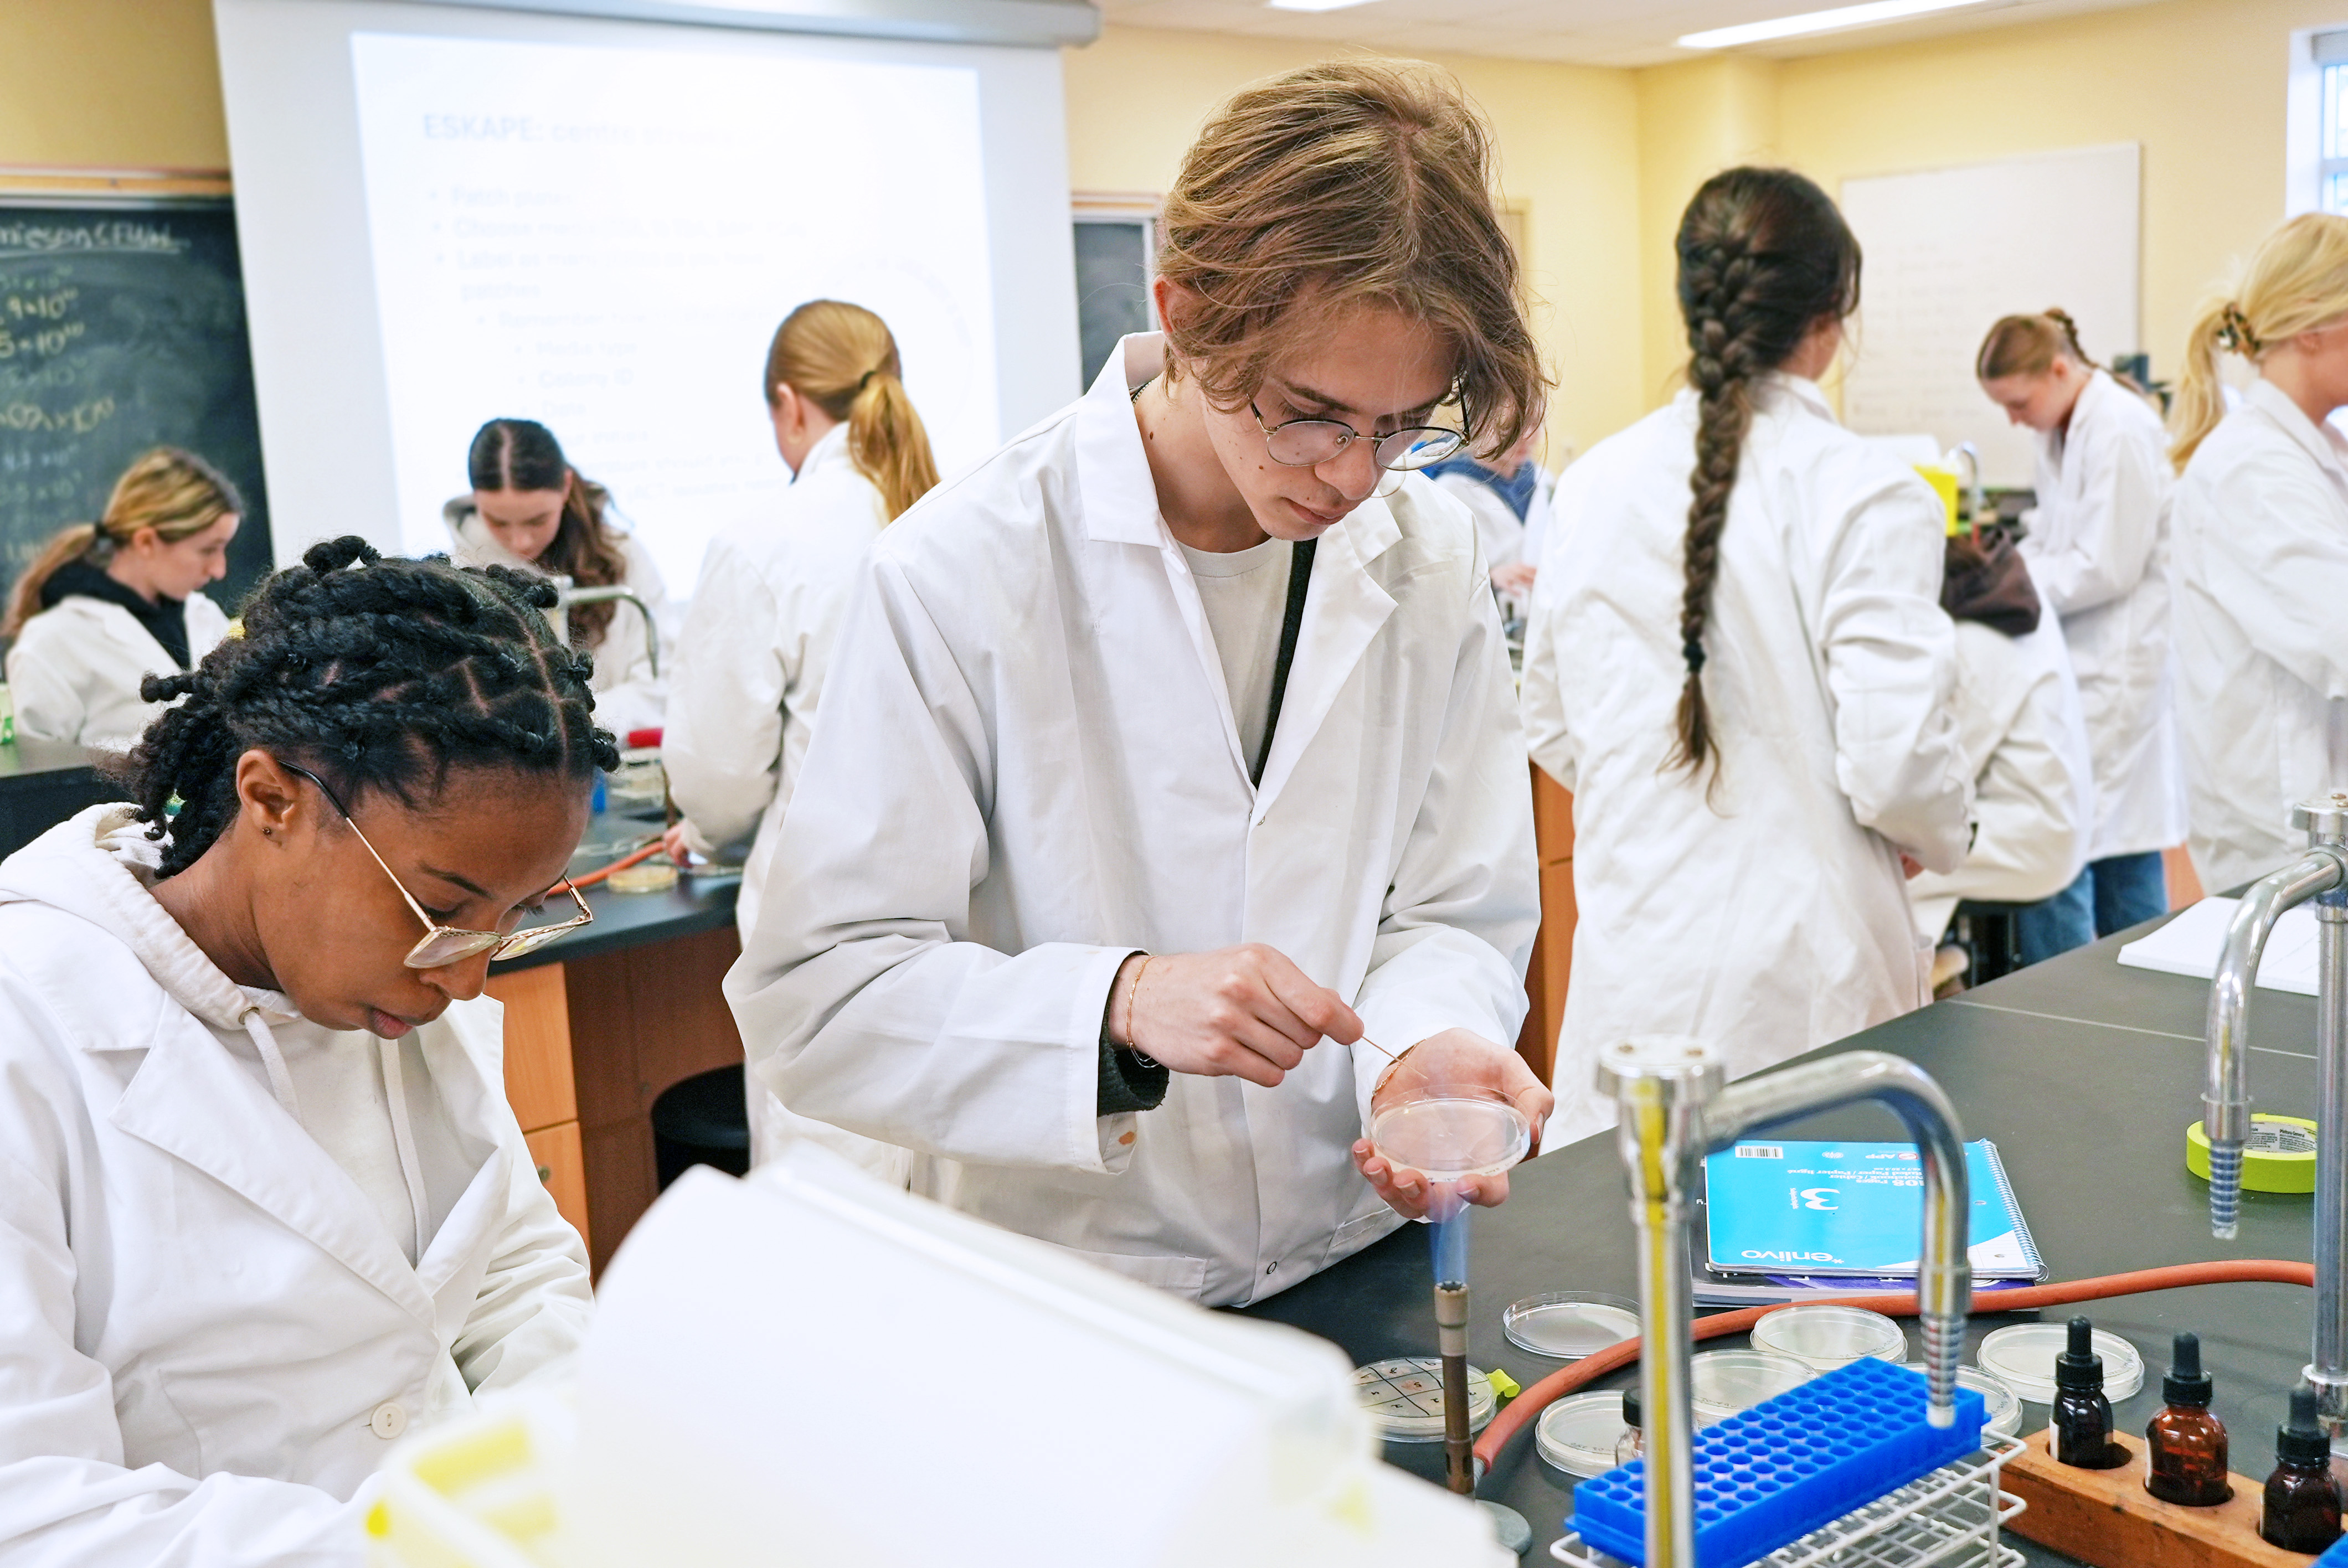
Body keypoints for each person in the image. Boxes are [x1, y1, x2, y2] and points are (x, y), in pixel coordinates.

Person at [725, 60, 1552, 1308]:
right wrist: (1115, 1004)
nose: (1352, 477)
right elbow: (819, 996)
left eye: (1400, 426)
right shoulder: (961, 569)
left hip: (1349, 1253)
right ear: (1184, 312)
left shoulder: (1426, 555)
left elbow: (1453, 908)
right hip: (1082, 1290)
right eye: (1312, 414)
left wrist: (1424, 1046)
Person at [0, 537, 611, 1561]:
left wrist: (574, 1481)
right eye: (447, 909)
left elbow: (513, 1271)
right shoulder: (31, 1026)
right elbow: (35, 1506)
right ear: (272, 799)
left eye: (514, 918)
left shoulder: (383, 980)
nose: (468, 975)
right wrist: (408, 1547)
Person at [1520, 167, 1970, 1147]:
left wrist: (1661, 798)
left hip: (1639, 955)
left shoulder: (1593, 482)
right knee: (1813, 1274)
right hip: (1810, 969)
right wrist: (1933, 834)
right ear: (1833, 316)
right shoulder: (1869, 490)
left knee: (1635, 1257)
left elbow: (1552, 719)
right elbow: (1899, 765)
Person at [663, 299, 940, 1179]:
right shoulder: (953, 513)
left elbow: (718, 771)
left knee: (834, 1204)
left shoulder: (765, 540)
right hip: (963, 910)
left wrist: (704, 834)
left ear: (790, 405)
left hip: (828, 924)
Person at [1976, 309, 2185, 952]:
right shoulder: (2063, 426)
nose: (2013, 420)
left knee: (2070, 843)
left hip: (2114, 665)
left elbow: (2106, 566)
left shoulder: (2119, 427)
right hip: (2081, 658)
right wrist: (2010, 560)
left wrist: (2015, 582)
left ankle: (2090, 1007)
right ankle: (2133, 999)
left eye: (2017, 402)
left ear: (2059, 369)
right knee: (2114, 844)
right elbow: (2052, 527)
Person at [2170, 213, 2348, 893]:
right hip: (2283, 839)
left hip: (2316, 823)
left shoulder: (2314, 453)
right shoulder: (2250, 468)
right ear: (2310, 322)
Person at [1907, 527, 2095, 964]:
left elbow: (1938, 776)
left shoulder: (1975, 643)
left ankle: (1929, 990)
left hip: (2028, 835)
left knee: (1881, 879)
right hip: (2046, 819)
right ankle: (1937, 973)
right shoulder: (2006, 597)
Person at [3, 447, 240, 749]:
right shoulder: (54, 639)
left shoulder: (205, 616)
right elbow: (39, 777)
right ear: (146, 542)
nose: (219, 570)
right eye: (208, 550)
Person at [445, 419, 670, 736]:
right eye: (499, 522)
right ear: (476, 500)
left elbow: (659, 685)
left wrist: (577, 723)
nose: (520, 541)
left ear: (565, 487)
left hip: (615, 766)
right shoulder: (459, 575)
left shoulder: (622, 555)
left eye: (537, 520)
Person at [1425, 416, 1552, 613]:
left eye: (1535, 423)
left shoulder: (1543, 480)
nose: (1527, 435)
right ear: (1477, 422)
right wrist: (1490, 580)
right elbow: (1433, 584)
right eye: (1510, 425)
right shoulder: (1449, 491)